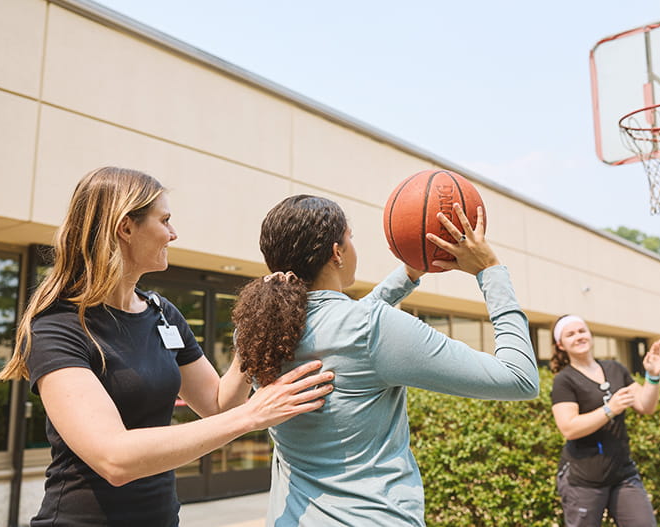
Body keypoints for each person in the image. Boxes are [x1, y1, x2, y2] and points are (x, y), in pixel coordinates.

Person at [0, 167, 334, 527]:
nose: (173, 234)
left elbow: (218, 404)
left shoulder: (161, 313)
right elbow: (114, 458)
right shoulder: (58, 327)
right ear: (126, 227)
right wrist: (252, 415)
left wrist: (258, 328)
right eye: (165, 220)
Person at [231, 194, 540, 526]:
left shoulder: (257, 333)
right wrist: (491, 271)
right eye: (349, 238)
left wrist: (408, 273)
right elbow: (518, 378)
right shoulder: (370, 328)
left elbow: (347, 324)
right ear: (337, 252)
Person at [550, 314, 660, 527]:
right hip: (583, 479)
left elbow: (645, 406)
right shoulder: (564, 380)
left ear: (590, 335)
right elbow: (569, 428)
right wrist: (609, 409)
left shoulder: (615, 369)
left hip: (623, 474)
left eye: (581, 331)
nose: (578, 336)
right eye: (570, 334)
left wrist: (652, 376)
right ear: (560, 344)